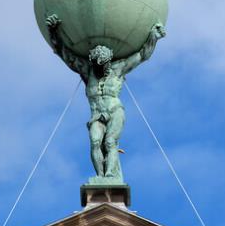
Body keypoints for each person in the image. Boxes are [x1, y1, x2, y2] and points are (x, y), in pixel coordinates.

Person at [46, 14, 165, 180]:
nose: (98, 68)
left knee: (110, 143)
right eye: (95, 65)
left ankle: (109, 174)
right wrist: (53, 32)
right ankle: (100, 176)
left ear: (108, 62)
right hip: (97, 114)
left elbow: (142, 55)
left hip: (115, 111)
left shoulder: (118, 70)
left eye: (101, 64)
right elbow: (64, 54)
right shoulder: (88, 72)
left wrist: (154, 36)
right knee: (95, 142)